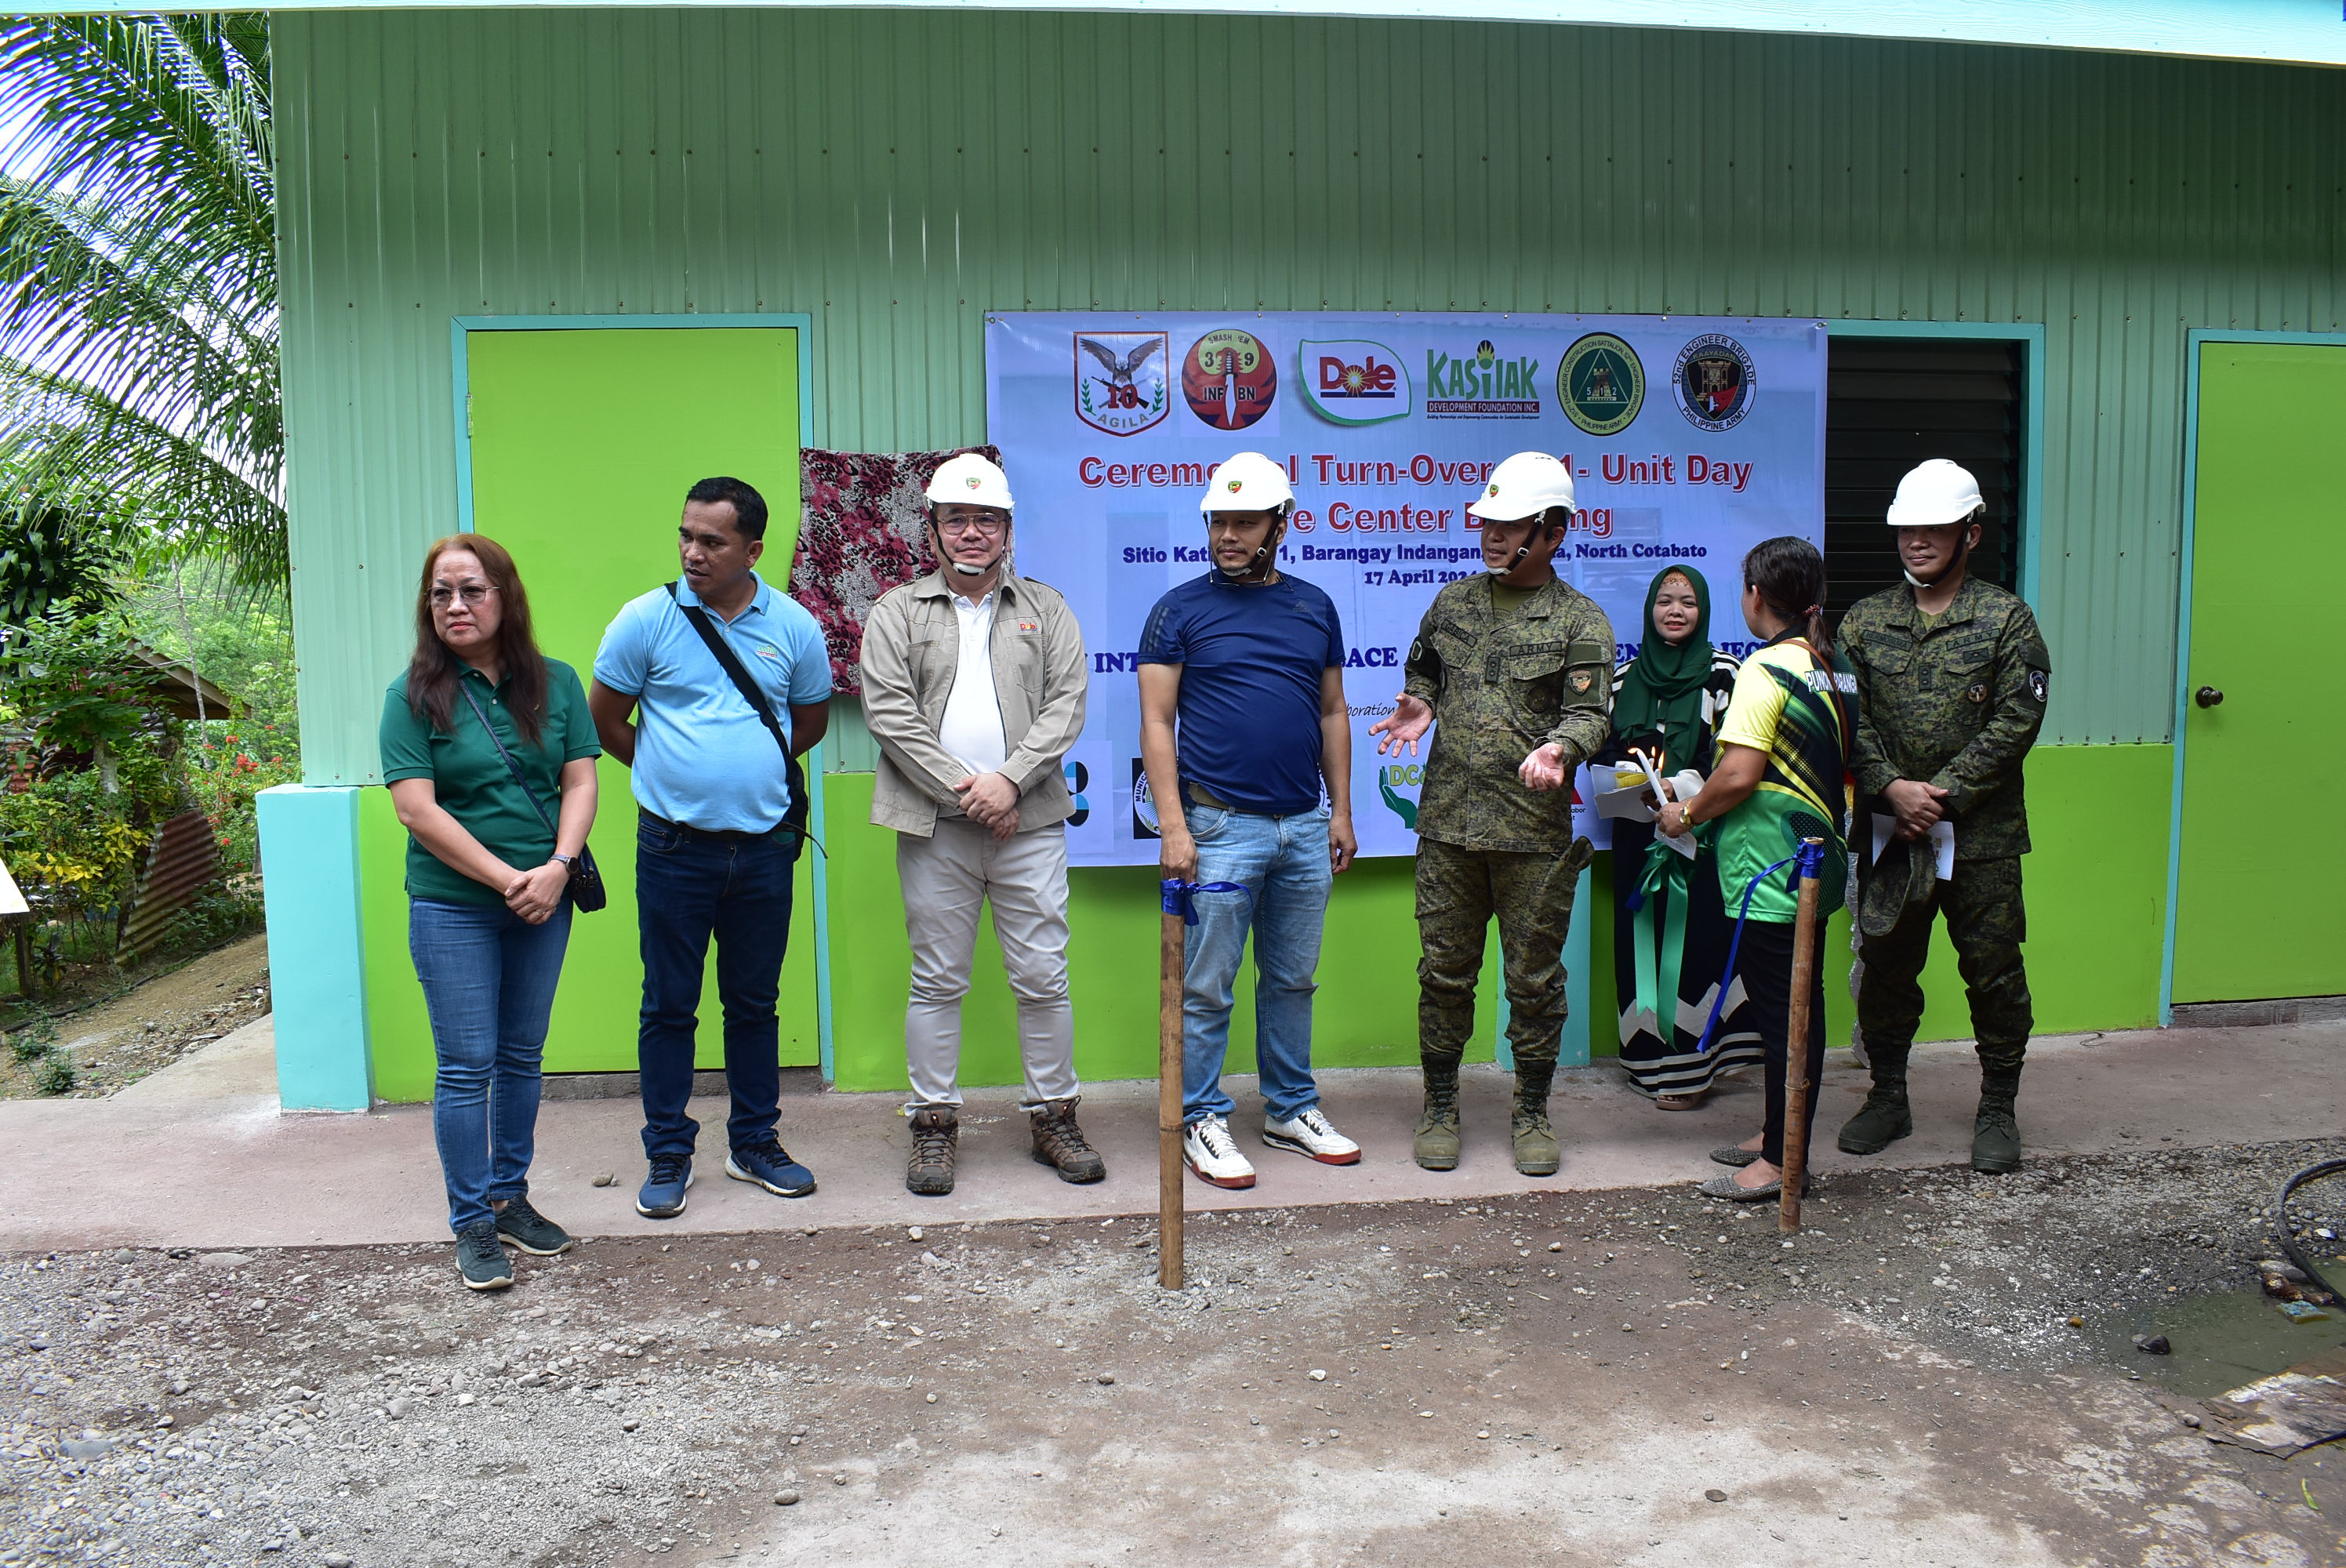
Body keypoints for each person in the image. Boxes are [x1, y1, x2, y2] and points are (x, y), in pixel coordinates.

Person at [587, 476, 832, 1218]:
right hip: (672, 849)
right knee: (669, 1006)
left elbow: (811, 723)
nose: (693, 552)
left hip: (762, 849)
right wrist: (675, 774)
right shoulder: (646, 619)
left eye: (712, 541)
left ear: (753, 549)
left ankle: (754, 1142)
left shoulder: (792, 626)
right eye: (686, 537)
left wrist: (740, 775)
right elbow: (606, 720)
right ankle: (669, 1150)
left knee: (754, 1004)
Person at [858, 452, 1102, 1196]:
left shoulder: (1047, 608)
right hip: (936, 827)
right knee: (936, 981)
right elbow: (888, 712)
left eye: (986, 520)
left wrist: (1009, 782)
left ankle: (1053, 1118)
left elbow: (1067, 705)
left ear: (1006, 530)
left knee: (1043, 978)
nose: (972, 532)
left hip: (1028, 825)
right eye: (957, 519)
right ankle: (932, 1125)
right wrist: (972, 790)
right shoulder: (897, 611)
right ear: (932, 528)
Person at [1371, 452, 1614, 1177]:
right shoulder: (1454, 603)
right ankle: (1440, 1104)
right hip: (1448, 826)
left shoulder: (1580, 620)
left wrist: (1560, 750)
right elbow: (1425, 667)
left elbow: (1593, 714)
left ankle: (1532, 1109)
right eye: (1487, 523)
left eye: (1509, 525)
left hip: (1532, 837)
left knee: (1535, 981)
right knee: (1444, 974)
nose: (1491, 535)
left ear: (1552, 530)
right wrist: (1421, 701)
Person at [380, 535, 601, 1290]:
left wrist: (559, 869)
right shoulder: (411, 697)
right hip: (455, 908)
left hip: (545, 897)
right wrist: (516, 879)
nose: (455, 606)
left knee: (522, 1057)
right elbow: (417, 811)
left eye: (471, 590)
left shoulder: (557, 684)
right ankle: (471, 1222)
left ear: (504, 596)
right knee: (467, 1067)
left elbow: (579, 783)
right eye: (440, 593)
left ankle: (511, 1197)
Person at [1138, 451, 1361, 1190]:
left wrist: (1342, 812)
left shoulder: (1312, 605)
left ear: (1280, 525)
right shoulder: (1179, 610)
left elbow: (1332, 711)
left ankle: (1290, 1108)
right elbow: (1156, 722)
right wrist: (1174, 825)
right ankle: (1202, 1115)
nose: (1227, 534)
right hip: (1220, 827)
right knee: (1207, 985)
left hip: (1302, 826)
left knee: (1293, 979)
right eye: (1218, 521)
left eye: (1244, 522)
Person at [1836, 459, 2051, 1174]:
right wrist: (1892, 789)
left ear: (1971, 534)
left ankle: (1998, 1108)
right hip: (1890, 832)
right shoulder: (1864, 621)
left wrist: (1945, 794)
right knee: (1889, 969)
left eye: (1934, 528)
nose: (1917, 541)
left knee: (1993, 972)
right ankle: (1888, 1097)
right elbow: (1846, 716)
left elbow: (2020, 714)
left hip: (1981, 838)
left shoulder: (2004, 617)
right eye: (1907, 529)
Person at [1657, 536, 1854, 1202]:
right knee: (1798, 1003)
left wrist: (1685, 815)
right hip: (1812, 860)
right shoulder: (1831, 666)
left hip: (1772, 867)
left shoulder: (1765, 670)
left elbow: (1738, 774)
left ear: (1756, 597)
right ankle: (1778, 1131)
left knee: (1786, 1013)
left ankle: (1781, 1159)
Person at [1595, 564, 1752, 1109]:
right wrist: (1633, 783)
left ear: (1704, 610)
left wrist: (1683, 790)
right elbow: (1603, 749)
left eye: (1687, 601)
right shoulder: (1621, 679)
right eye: (1665, 600)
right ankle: (1644, 1065)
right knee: (1640, 945)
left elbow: (1734, 754)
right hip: (1639, 834)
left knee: (1695, 947)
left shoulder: (1726, 675)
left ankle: (1691, 1072)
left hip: (1701, 837)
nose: (1676, 611)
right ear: (1650, 609)